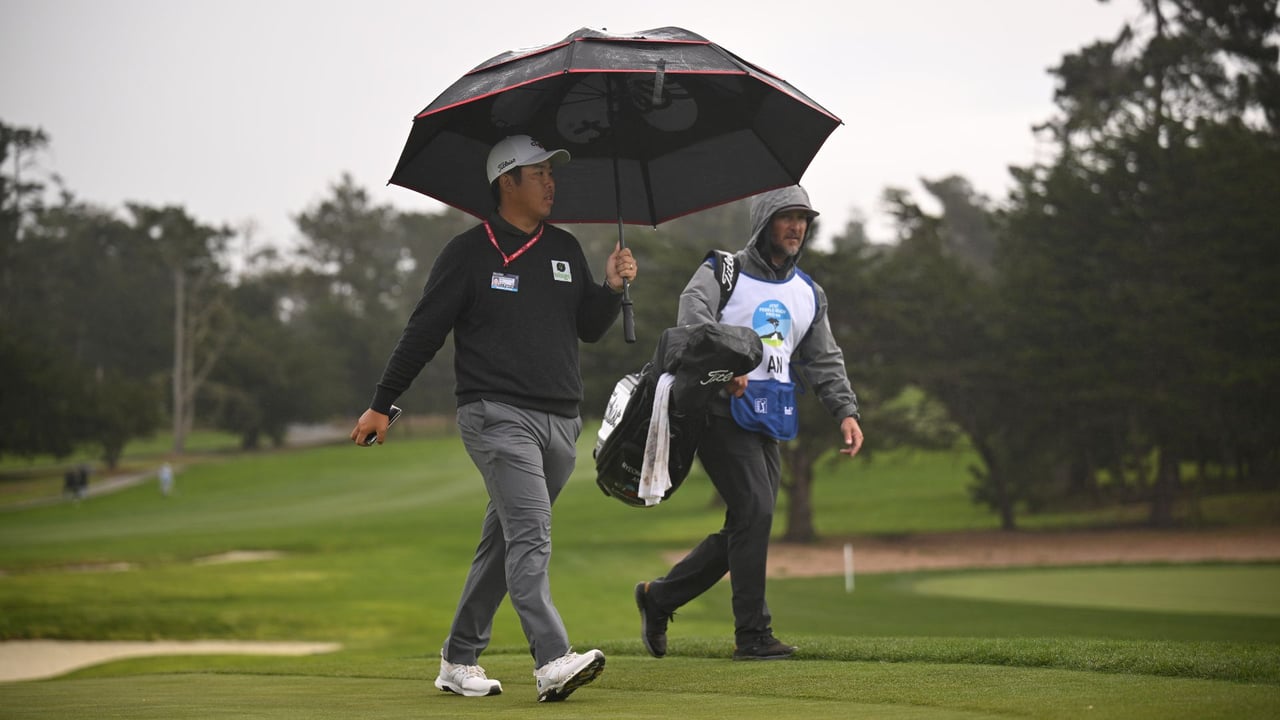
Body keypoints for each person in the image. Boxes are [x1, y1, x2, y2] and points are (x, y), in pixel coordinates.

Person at [350, 134, 637, 702]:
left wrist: (610, 285)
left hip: (559, 421)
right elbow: (423, 332)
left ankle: (459, 658)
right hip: (495, 415)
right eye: (540, 174)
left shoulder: (564, 247)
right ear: (507, 183)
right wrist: (384, 402)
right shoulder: (467, 252)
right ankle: (553, 658)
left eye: (553, 173)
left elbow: (588, 327)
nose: (552, 183)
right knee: (531, 531)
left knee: (505, 542)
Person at [633, 185, 863, 661]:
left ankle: (660, 597)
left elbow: (824, 359)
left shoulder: (808, 293)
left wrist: (846, 411)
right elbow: (691, 317)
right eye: (787, 217)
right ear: (764, 223)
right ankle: (753, 635)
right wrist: (724, 362)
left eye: (803, 218)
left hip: (770, 416)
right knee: (755, 514)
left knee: (748, 521)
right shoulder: (723, 269)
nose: (796, 227)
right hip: (716, 410)